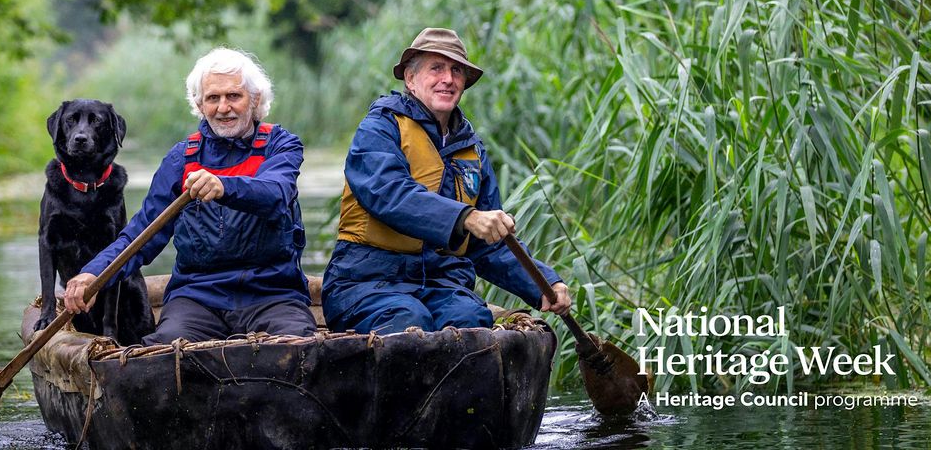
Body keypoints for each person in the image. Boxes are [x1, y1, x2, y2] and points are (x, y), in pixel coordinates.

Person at [322, 28, 572, 335]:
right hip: (367, 282)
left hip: (442, 285)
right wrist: (466, 217)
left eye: (456, 71)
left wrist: (545, 283)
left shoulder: (472, 150)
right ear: (410, 81)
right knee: (408, 322)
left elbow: (488, 244)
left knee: (471, 322)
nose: (448, 79)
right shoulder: (379, 128)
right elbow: (389, 194)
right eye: (436, 68)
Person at [62, 48, 315, 345]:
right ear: (199, 104)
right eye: (213, 98)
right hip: (196, 297)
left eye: (234, 96)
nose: (223, 108)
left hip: (274, 294)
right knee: (162, 354)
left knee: (301, 347)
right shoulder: (181, 158)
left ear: (255, 99)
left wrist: (223, 186)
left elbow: (275, 193)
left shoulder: (281, 145)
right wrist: (93, 272)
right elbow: (141, 234)